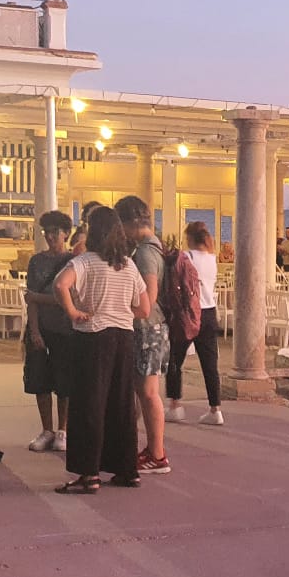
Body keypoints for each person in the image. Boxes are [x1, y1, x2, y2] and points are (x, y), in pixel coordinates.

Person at [55, 206, 147, 492]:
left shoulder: (85, 261)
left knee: (89, 404)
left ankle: (89, 473)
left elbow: (60, 284)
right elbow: (144, 308)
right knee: (122, 404)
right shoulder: (128, 265)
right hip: (124, 337)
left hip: (93, 337)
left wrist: (73, 311)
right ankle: (127, 469)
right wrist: (121, 311)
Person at [114, 194, 172, 476]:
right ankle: (151, 450)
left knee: (148, 394)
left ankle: (157, 454)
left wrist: (121, 308)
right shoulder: (154, 247)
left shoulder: (146, 253)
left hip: (148, 328)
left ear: (130, 223)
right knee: (145, 392)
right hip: (154, 327)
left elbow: (148, 297)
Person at [23, 210, 77, 453]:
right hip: (42, 327)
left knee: (65, 383)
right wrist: (34, 331)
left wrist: (38, 297)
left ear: (66, 234)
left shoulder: (73, 261)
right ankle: (47, 430)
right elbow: (30, 300)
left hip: (65, 330)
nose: (51, 236)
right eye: (47, 232)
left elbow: (69, 299)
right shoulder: (36, 262)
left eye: (56, 232)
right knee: (39, 380)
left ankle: (62, 430)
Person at [166, 218, 223, 425]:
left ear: (189, 238)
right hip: (209, 312)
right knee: (210, 364)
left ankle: (175, 405)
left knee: (175, 360)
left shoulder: (186, 257)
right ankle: (215, 409)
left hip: (189, 313)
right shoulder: (212, 259)